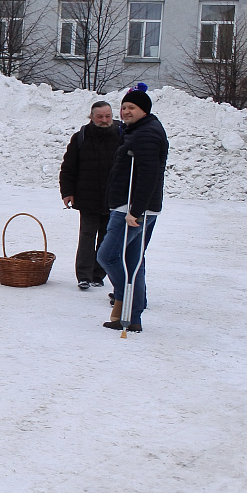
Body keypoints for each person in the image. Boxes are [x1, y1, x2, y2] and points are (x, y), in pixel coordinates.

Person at [97, 89, 167, 332]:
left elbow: (149, 176)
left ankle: (124, 298)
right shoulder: (138, 130)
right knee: (132, 260)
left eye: (132, 108)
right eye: (124, 107)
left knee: (107, 256)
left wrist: (135, 211)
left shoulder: (146, 134)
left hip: (133, 209)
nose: (126, 112)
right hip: (136, 207)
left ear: (144, 110)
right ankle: (133, 318)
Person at [58, 100, 121, 289]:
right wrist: (67, 192)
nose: (104, 120)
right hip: (87, 198)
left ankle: (98, 275)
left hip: (113, 198)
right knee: (87, 236)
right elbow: (68, 168)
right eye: (100, 117)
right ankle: (83, 275)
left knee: (105, 238)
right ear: (91, 118)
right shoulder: (81, 137)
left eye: (107, 116)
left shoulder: (122, 135)